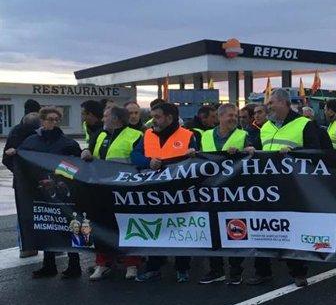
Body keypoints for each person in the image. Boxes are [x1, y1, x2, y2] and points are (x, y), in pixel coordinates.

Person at [253, 88, 323, 287]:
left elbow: (316, 152)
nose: (268, 106)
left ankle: (298, 272)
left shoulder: (304, 124)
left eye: (271, 103)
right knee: (263, 228)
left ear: (284, 103)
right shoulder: (266, 127)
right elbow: (260, 151)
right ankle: (262, 271)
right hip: (267, 186)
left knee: (292, 229)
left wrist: (295, 151)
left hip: (293, 186)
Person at [7, 107, 83, 279]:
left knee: (68, 226)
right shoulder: (30, 142)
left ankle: (74, 264)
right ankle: (49, 265)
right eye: (50, 119)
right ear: (42, 121)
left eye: (57, 119)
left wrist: (57, 179)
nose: (54, 122)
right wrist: (15, 154)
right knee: (47, 225)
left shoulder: (68, 143)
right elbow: (24, 164)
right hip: (39, 192)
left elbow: (76, 166)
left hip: (62, 193)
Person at [131, 102, 199, 282]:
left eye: (157, 116)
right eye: (153, 116)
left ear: (169, 118)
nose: (153, 120)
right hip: (153, 191)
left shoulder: (187, 135)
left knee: (181, 229)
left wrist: (194, 154)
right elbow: (135, 155)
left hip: (179, 191)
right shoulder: (148, 134)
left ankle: (182, 268)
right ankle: (153, 267)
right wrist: (148, 162)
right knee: (154, 228)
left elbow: (198, 160)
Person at [81, 105, 144, 280]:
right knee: (101, 226)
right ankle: (102, 263)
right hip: (101, 188)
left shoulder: (135, 135)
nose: (103, 119)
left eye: (106, 116)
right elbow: (91, 154)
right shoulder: (100, 135)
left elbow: (140, 161)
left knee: (128, 226)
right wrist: (85, 152)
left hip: (125, 189)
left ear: (116, 119)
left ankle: (131, 264)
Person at [197, 103, 257, 285]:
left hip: (234, 191)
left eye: (235, 116)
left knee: (235, 230)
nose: (234, 119)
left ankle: (236, 270)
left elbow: (252, 154)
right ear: (220, 117)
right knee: (212, 230)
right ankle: (216, 270)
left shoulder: (242, 135)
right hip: (210, 190)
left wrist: (248, 151)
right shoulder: (206, 135)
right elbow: (198, 158)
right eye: (230, 115)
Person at [3, 105, 41, 258]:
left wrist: (20, 174)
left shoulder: (16, 131)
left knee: (25, 214)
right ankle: (50, 245)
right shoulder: (26, 132)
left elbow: (6, 159)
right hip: (36, 182)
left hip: (26, 182)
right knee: (46, 212)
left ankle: (28, 247)